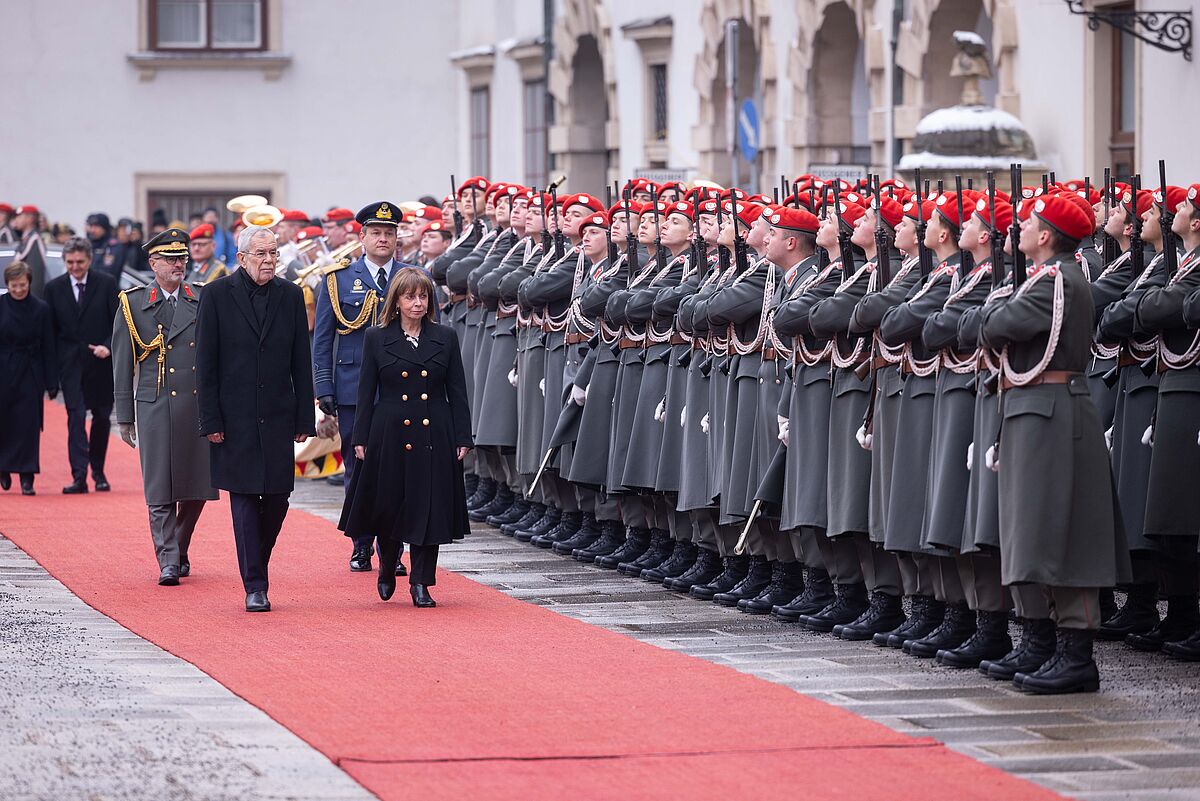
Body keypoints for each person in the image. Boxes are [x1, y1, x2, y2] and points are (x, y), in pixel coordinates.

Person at [195, 224, 316, 612]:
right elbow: (206, 364)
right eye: (261, 255)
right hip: (235, 418)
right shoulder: (215, 295)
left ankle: (255, 563)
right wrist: (210, 420)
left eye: (273, 254)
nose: (269, 261)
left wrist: (304, 417)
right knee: (245, 497)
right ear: (242, 258)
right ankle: (255, 584)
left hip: (279, 414)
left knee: (279, 497)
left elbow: (302, 360)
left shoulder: (291, 295)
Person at [339, 267, 473, 607]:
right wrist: (361, 437)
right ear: (396, 301)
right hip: (390, 431)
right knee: (389, 505)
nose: (417, 303)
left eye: (423, 296)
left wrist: (462, 436)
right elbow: (366, 390)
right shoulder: (377, 337)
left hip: (434, 431)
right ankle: (386, 563)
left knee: (430, 507)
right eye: (410, 296)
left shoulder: (444, 337)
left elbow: (457, 390)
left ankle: (421, 582)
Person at [111, 228, 217, 586]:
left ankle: (179, 545)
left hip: (197, 402)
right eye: (170, 259)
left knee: (198, 486)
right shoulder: (134, 302)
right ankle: (168, 559)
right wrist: (125, 416)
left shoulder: (203, 298)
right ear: (153, 263)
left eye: (182, 258)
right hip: (155, 401)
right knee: (159, 487)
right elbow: (122, 362)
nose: (178, 264)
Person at [313, 201, 408, 574]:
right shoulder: (337, 281)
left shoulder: (412, 278)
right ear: (362, 238)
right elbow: (322, 341)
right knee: (358, 467)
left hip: (400, 389)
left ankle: (393, 549)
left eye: (389, 233)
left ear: (397, 238)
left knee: (399, 468)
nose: (382, 239)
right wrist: (324, 389)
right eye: (376, 233)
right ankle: (361, 543)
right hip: (353, 390)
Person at [44, 236, 120, 493]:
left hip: (100, 363)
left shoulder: (106, 284)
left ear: (89, 260)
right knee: (75, 417)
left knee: (101, 417)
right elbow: (50, 333)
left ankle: (98, 471)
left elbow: (119, 323)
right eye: (70, 262)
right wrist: (51, 374)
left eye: (80, 261)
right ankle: (79, 476)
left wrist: (108, 346)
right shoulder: (54, 288)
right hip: (70, 364)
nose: (75, 267)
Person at [0, 261, 58, 495]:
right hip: (3, 370)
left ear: (29, 283)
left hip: (30, 371)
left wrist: (52, 381)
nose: (18, 290)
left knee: (28, 425)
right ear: (7, 285)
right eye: (14, 286)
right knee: (3, 423)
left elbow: (49, 346)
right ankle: (3, 467)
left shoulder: (41, 308)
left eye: (22, 285)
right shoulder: (0, 306)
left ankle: (27, 476)